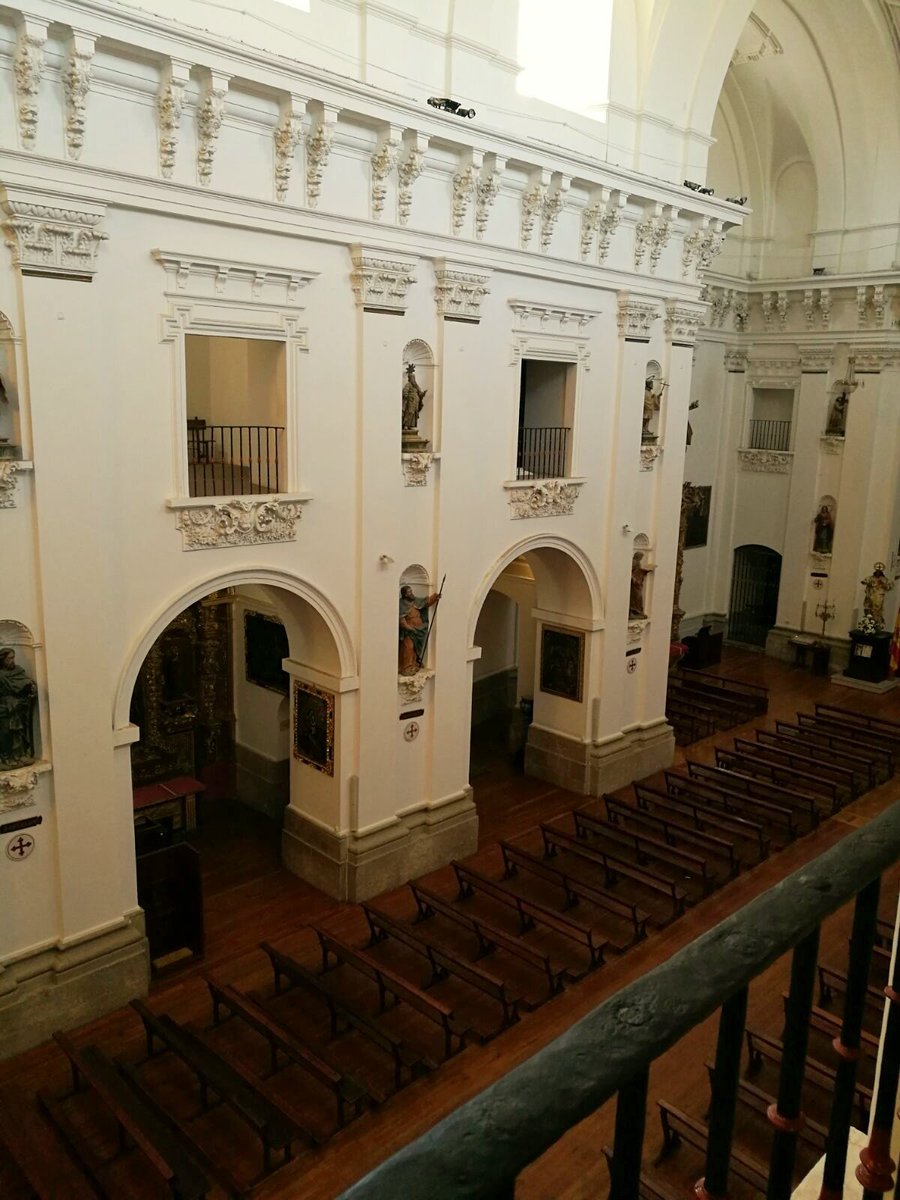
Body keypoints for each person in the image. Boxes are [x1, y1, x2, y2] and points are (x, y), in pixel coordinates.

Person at [0, 648, 37, 767]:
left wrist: (31, 688)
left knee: (19, 732)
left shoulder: (18, 670)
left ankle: (20, 755)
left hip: (18, 707)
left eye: (13, 657)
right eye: (9, 658)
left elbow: (27, 682)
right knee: (5, 733)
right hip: (4, 708)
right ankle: (6, 758)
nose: (12, 661)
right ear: (2, 660)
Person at [399, 585, 439, 675]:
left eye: (411, 591)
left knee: (416, 648)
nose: (411, 593)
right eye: (409, 592)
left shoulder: (415, 600)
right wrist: (407, 627)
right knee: (408, 647)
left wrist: (435, 597)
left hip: (419, 629)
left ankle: (414, 663)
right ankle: (406, 667)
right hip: (409, 630)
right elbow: (401, 618)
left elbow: (425, 602)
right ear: (405, 595)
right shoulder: (402, 604)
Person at [861, 563, 894, 629]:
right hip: (870, 596)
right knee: (868, 610)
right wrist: (868, 583)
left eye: (879, 572)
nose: (878, 573)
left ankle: (877, 625)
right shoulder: (870, 578)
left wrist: (883, 584)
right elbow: (863, 581)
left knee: (877, 611)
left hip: (878, 597)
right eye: (877, 571)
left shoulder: (884, 579)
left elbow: (890, 586)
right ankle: (868, 624)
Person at [402, 363, 427, 432]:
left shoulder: (416, 386)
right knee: (409, 412)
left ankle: (411, 425)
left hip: (415, 402)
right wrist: (407, 396)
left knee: (414, 414)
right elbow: (405, 391)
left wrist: (423, 393)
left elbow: (420, 393)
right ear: (409, 379)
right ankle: (406, 425)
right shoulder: (408, 385)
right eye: (412, 378)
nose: (413, 379)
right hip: (410, 401)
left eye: (414, 378)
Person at [629, 552, 650, 618]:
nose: (641, 558)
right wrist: (634, 578)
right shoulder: (633, 562)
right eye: (641, 557)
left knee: (638, 597)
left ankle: (637, 612)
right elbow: (630, 571)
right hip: (634, 583)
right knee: (637, 597)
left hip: (638, 582)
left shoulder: (637, 562)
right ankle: (633, 612)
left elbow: (638, 571)